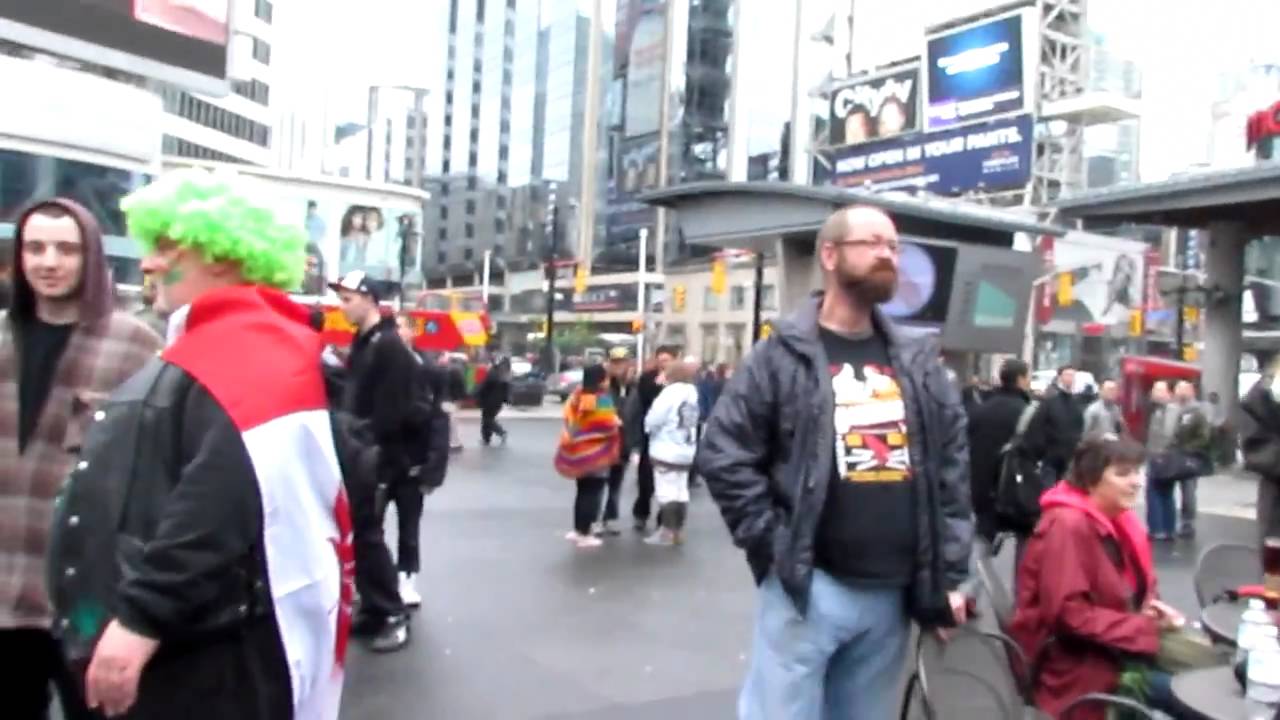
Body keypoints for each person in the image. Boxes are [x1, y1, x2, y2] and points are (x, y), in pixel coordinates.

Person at [46, 168, 351, 719]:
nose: (148, 262)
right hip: (183, 653)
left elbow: (219, 499)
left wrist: (141, 621)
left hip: (197, 666)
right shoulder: (221, 343)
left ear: (220, 253)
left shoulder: (248, 349)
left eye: (166, 246)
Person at [697, 205, 972, 720]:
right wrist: (774, 545)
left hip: (891, 597)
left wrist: (952, 577)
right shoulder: (781, 355)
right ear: (830, 255)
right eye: (873, 243)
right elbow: (724, 452)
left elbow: (951, 470)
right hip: (808, 590)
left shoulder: (916, 360)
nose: (888, 255)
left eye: (894, 246)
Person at [1, 198, 164, 719]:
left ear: (91, 257)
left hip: (86, 601)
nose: (49, 262)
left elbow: (156, 481)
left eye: (66, 249)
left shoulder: (136, 346)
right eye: (35, 248)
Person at [1009, 435, 1195, 720]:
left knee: (1214, 666)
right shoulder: (1067, 525)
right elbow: (1068, 615)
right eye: (1123, 474)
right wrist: (1143, 627)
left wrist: (1151, 607)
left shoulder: (1114, 517)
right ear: (1091, 480)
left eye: (1137, 471)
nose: (1136, 481)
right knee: (1198, 692)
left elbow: (1132, 585)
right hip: (1079, 666)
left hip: (1109, 648)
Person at [330, 269, 414, 651]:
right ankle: (376, 609)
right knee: (360, 535)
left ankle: (392, 611)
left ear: (369, 299)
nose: (342, 306)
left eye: (348, 299)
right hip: (359, 451)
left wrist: (367, 444)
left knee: (368, 536)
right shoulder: (364, 341)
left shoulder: (388, 344)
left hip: (375, 456)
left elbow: (395, 410)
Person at [555, 364, 622, 549]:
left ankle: (577, 529)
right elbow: (606, 425)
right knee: (593, 493)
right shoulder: (600, 399)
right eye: (606, 378)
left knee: (582, 492)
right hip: (596, 454)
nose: (608, 382)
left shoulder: (576, 396)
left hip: (577, 451)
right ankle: (585, 534)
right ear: (601, 380)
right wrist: (616, 421)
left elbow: (570, 420)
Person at [966, 358, 1033, 544]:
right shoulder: (1027, 412)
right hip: (1013, 490)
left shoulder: (981, 409)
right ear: (1020, 379)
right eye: (1028, 377)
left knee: (982, 540)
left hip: (980, 485)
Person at [643, 356, 701, 547]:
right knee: (681, 490)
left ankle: (666, 531)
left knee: (666, 491)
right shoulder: (692, 393)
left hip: (666, 447)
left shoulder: (669, 394)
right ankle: (678, 529)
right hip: (686, 447)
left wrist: (648, 427)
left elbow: (654, 419)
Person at [633, 345, 678, 531]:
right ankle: (641, 513)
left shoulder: (679, 381)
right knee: (645, 480)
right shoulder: (647, 378)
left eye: (666, 360)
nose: (663, 363)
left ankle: (664, 519)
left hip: (672, 438)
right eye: (660, 359)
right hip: (650, 435)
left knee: (668, 483)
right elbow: (643, 403)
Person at [1024, 365, 1085, 487]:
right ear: (1060, 377)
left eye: (1073, 375)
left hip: (1069, 457)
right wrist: (1041, 451)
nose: (1070, 378)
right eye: (1067, 375)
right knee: (1048, 488)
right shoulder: (1050, 401)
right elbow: (1037, 426)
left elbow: (1080, 427)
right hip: (1051, 456)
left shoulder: (1077, 403)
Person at [597, 346, 634, 537]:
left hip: (623, 443)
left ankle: (610, 518)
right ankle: (595, 520)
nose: (619, 367)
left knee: (615, 483)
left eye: (622, 362)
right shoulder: (602, 386)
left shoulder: (633, 386)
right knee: (598, 482)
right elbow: (602, 411)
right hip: (604, 442)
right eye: (615, 363)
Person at [1169, 380, 1211, 538]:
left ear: (1192, 392)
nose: (1181, 392)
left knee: (1188, 491)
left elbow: (1204, 436)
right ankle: (1169, 521)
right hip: (1171, 455)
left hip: (1189, 458)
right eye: (1178, 389)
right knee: (1167, 490)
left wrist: (1189, 449)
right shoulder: (1172, 408)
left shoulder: (1198, 412)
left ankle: (1188, 523)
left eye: (1184, 389)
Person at [1144, 381, 1179, 541]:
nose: (1154, 393)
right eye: (1154, 390)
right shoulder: (1157, 410)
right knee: (1165, 493)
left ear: (1167, 393)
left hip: (1162, 458)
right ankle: (1166, 528)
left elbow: (1167, 433)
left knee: (1157, 492)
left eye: (1158, 390)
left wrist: (1159, 454)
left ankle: (1159, 528)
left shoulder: (1170, 411)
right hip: (1158, 456)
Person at [476, 358, 510, 446]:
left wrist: (477, 395)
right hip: (497, 401)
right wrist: (506, 400)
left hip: (489, 401)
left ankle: (501, 432)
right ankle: (486, 438)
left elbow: (484, 386)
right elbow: (506, 389)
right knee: (487, 419)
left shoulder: (493, 373)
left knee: (487, 419)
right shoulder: (503, 374)